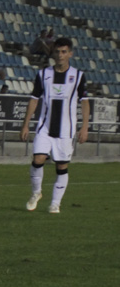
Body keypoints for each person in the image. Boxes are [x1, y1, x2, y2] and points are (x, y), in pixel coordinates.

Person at [20, 37, 88, 215]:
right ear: (53, 53)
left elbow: (85, 102)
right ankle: (36, 193)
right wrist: (26, 124)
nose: (60, 55)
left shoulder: (78, 76)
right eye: (57, 51)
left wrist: (85, 127)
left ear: (70, 54)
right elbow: (34, 100)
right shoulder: (43, 75)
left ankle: (55, 203)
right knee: (38, 159)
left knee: (61, 166)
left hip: (66, 130)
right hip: (45, 127)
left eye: (64, 51)